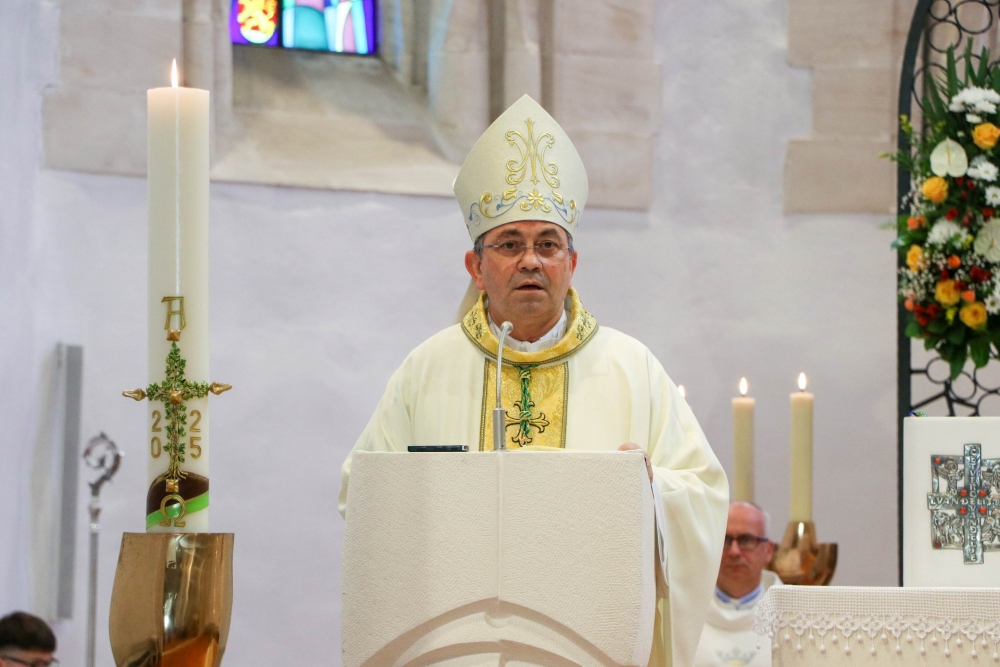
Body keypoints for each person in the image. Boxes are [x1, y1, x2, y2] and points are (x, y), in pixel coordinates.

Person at [338, 94, 728, 667]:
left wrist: (651, 489)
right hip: (454, 647)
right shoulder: (427, 368)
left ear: (572, 262)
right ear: (475, 267)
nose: (530, 261)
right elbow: (361, 490)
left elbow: (703, 489)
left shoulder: (632, 366)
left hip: (591, 639)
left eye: (547, 244)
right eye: (509, 244)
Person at [693, 501, 782, 667]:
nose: (734, 551)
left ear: (768, 551)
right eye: (725, 540)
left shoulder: (793, 616)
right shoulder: (685, 612)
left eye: (746, 540)